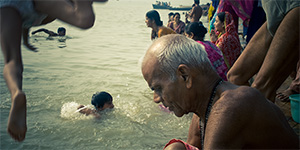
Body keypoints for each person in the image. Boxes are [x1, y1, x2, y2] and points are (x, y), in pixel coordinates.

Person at [141, 34, 299, 150]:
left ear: (185, 76)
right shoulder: (204, 107)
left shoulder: (230, 108)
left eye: (158, 88)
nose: (156, 98)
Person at [0, 0, 107, 142]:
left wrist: (25, 37)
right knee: (84, 20)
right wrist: (26, 36)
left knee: (12, 61)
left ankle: (16, 93)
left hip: (10, 10)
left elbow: (22, 19)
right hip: (36, 12)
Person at [227, 0, 299, 102]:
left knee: (261, 88)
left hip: (296, 6)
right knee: (235, 77)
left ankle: (261, 114)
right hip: (273, 7)